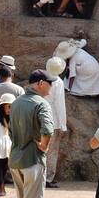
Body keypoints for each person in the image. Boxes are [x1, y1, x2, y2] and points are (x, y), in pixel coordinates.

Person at [8, 69, 55, 198]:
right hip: (32, 160)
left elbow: (10, 131)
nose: (51, 88)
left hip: (16, 159)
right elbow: (48, 129)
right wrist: (44, 146)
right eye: (50, 84)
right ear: (41, 83)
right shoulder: (41, 103)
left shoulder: (17, 101)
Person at [58, 36, 99, 102]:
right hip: (95, 66)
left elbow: (72, 75)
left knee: (81, 88)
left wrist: (69, 89)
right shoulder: (77, 47)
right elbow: (84, 41)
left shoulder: (72, 58)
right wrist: (83, 38)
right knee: (95, 87)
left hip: (89, 71)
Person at [44, 57, 68, 187]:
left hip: (39, 117)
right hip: (53, 120)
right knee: (51, 150)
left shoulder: (41, 78)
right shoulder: (58, 82)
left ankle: (37, 176)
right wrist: (63, 125)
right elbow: (59, 104)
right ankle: (48, 178)